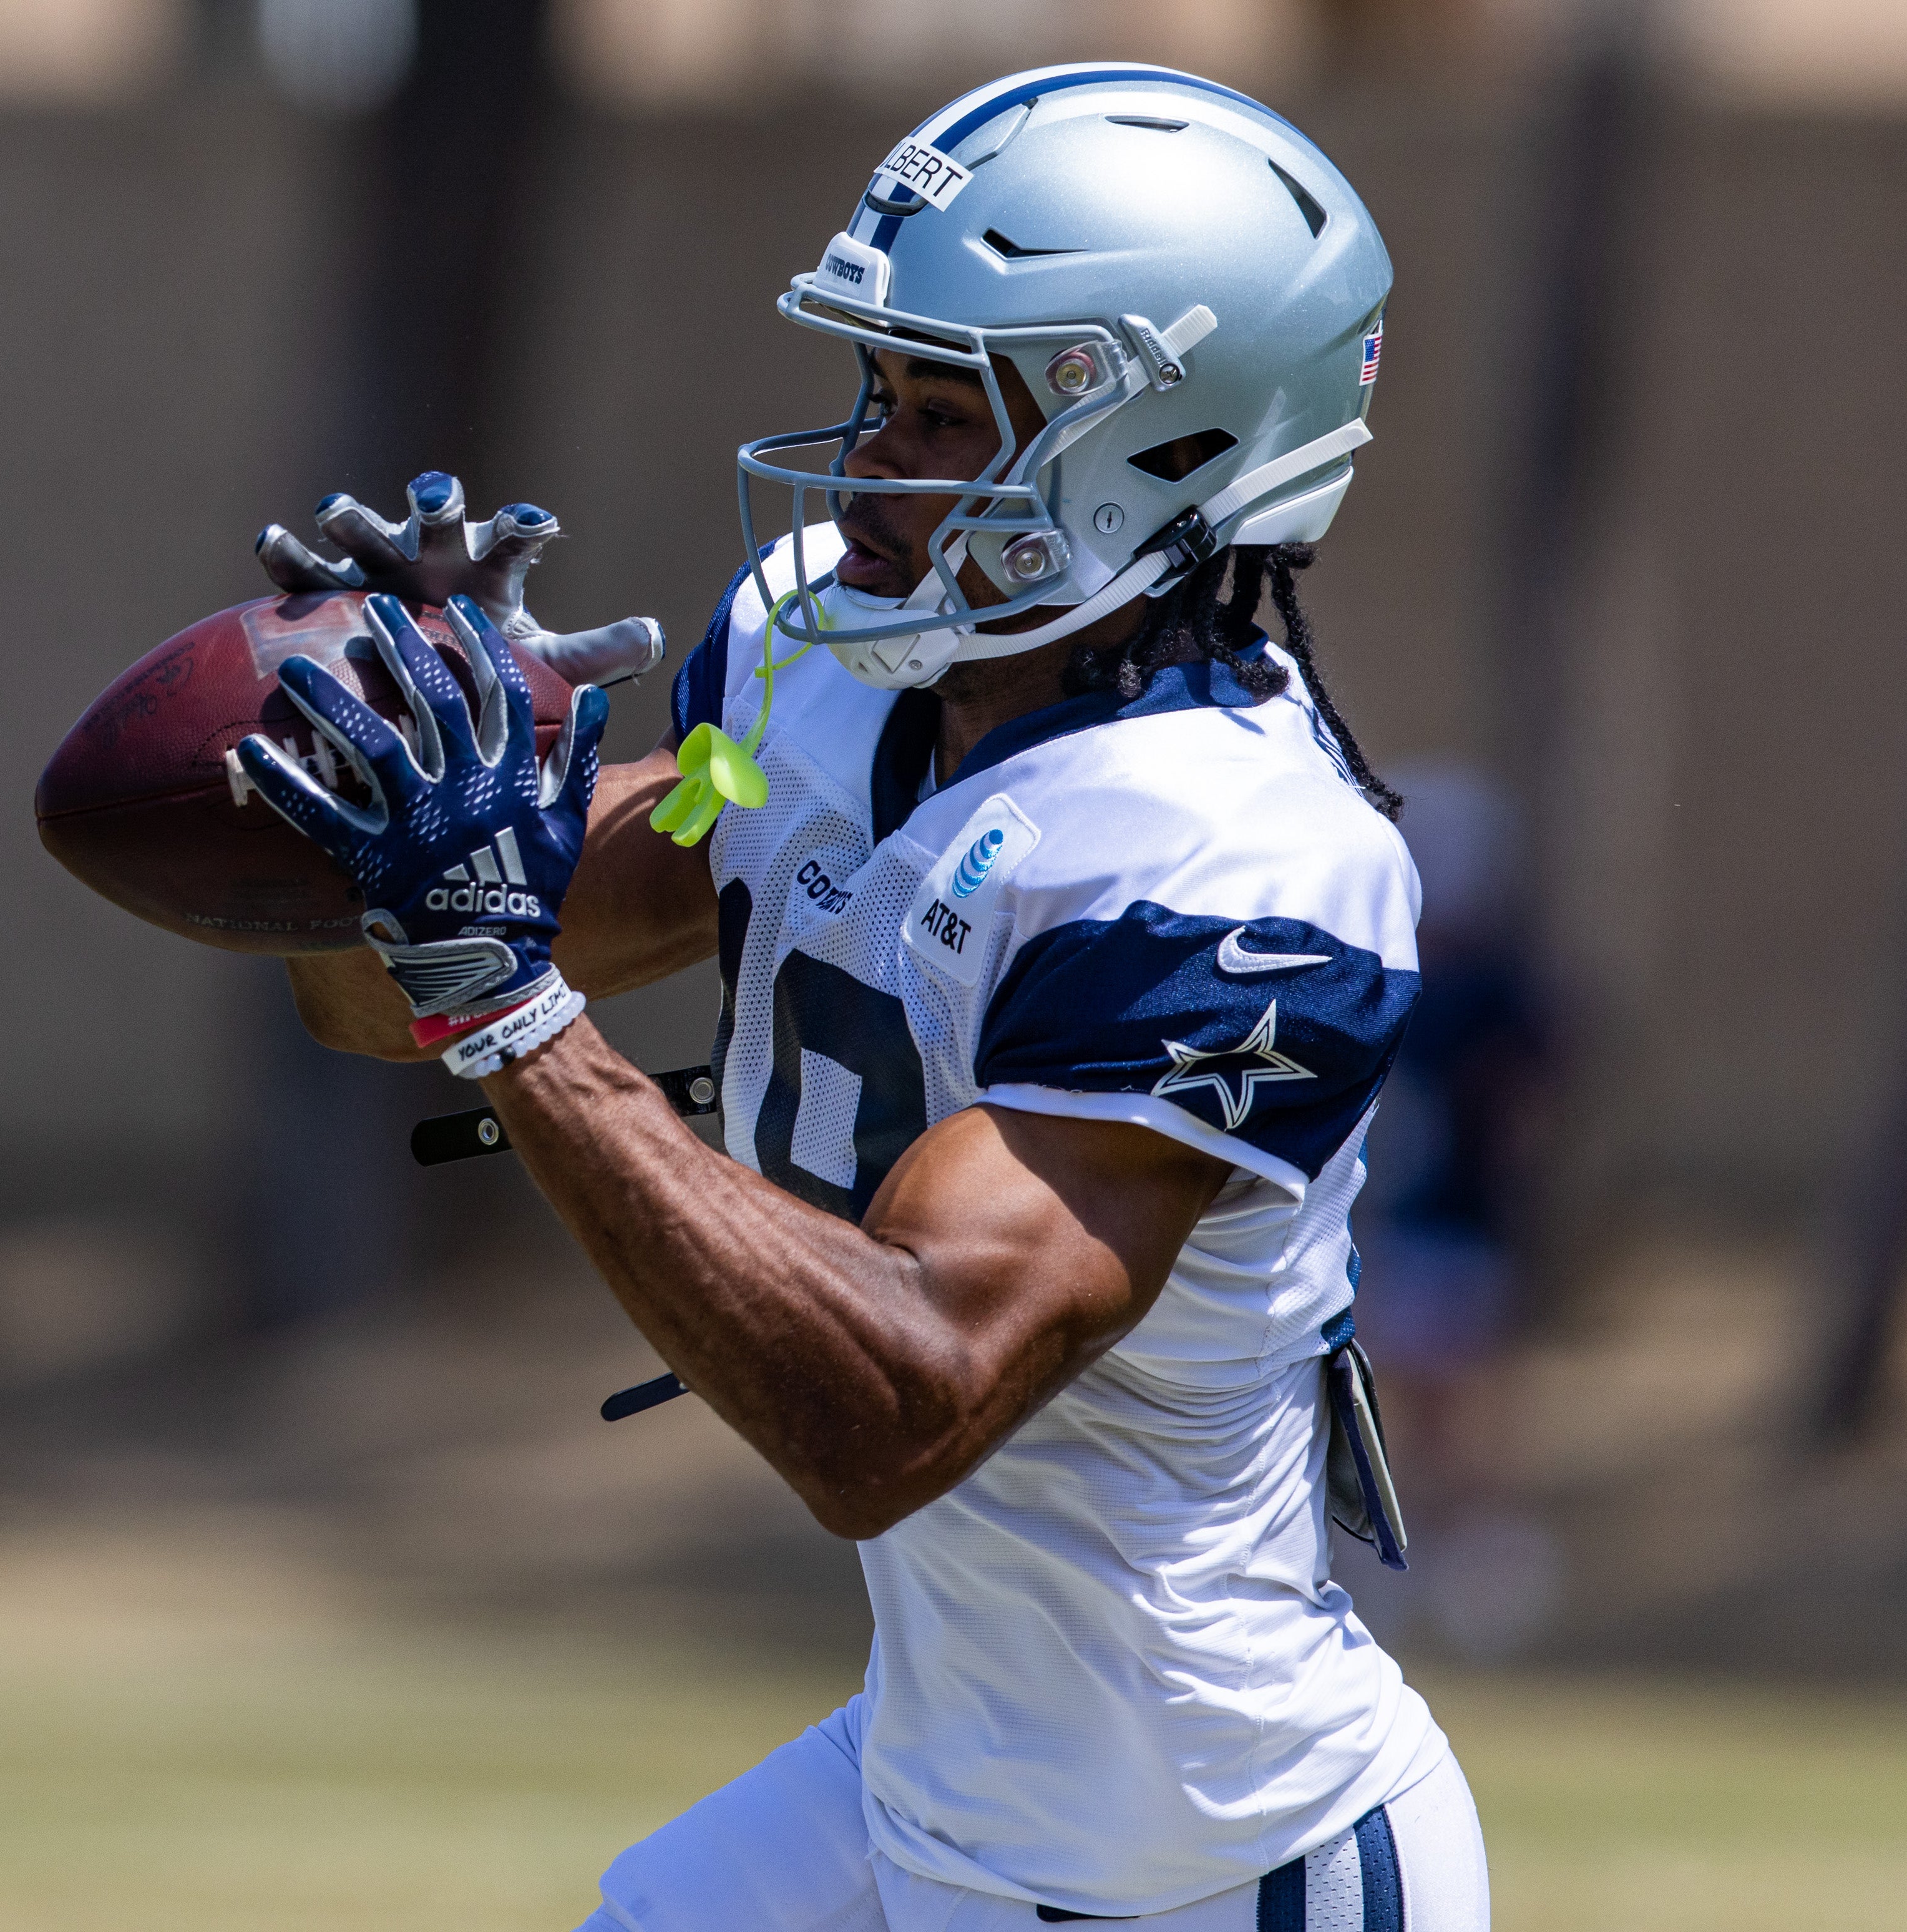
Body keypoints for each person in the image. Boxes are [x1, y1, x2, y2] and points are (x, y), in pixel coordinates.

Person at [236, 64, 1486, 1931]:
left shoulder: (1225, 861)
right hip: (940, 1781)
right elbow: (396, 993)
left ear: (1163, 445)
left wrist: (502, 1006)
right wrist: (387, 815)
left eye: (937, 414)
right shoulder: (818, 660)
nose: (867, 463)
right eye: (873, 393)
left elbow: (892, 1406)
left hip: (1200, 1870)